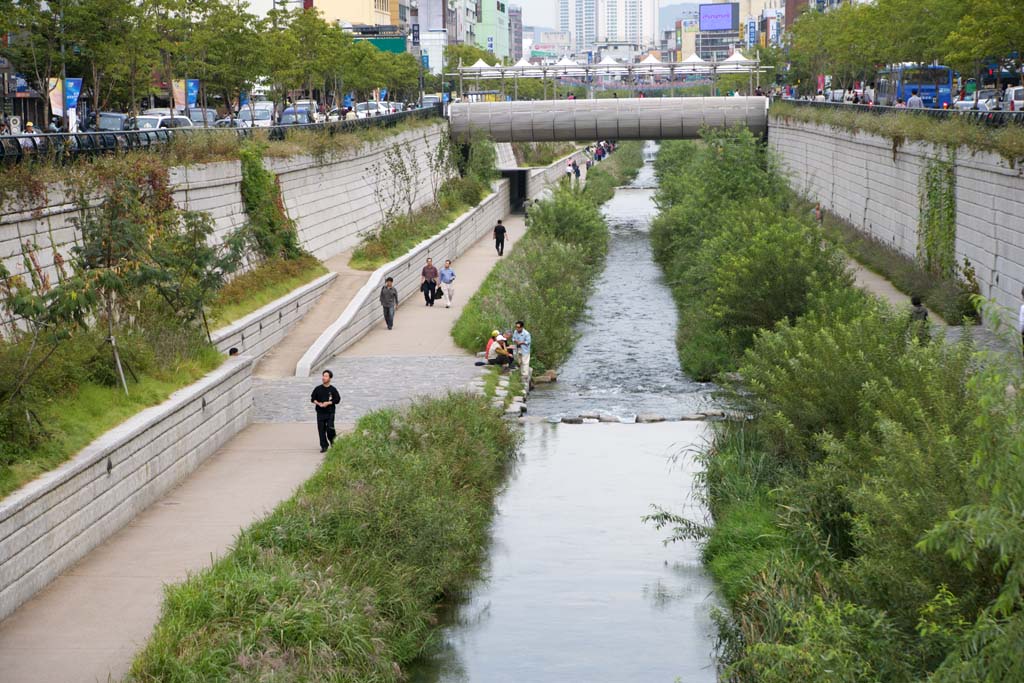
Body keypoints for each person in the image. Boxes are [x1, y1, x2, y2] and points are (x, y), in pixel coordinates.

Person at [310, 370, 341, 453]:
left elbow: (337, 400)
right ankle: (324, 446)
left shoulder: (333, 389)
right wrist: (318, 403)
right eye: (323, 376)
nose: (324, 378)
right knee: (321, 430)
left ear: (330, 378)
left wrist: (328, 403)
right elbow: (312, 399)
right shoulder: (318, 388)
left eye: (326, 376)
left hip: (330, 412)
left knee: (330, 428)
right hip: (320, 412)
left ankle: (332, 441)